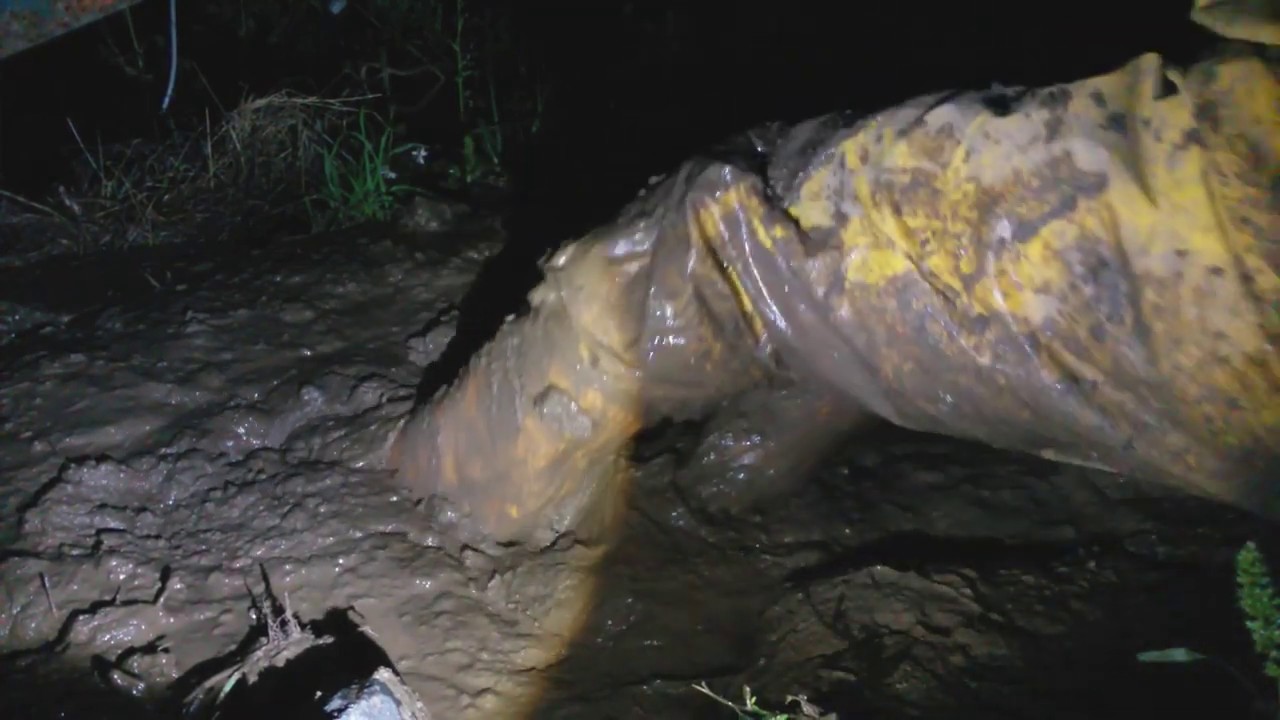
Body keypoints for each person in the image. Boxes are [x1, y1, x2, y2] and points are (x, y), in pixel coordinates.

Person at [389, 0, 1278, 547]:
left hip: (1242, 215)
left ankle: (425, 496)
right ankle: (720, 501)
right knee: (823, 275)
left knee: (728, 232)